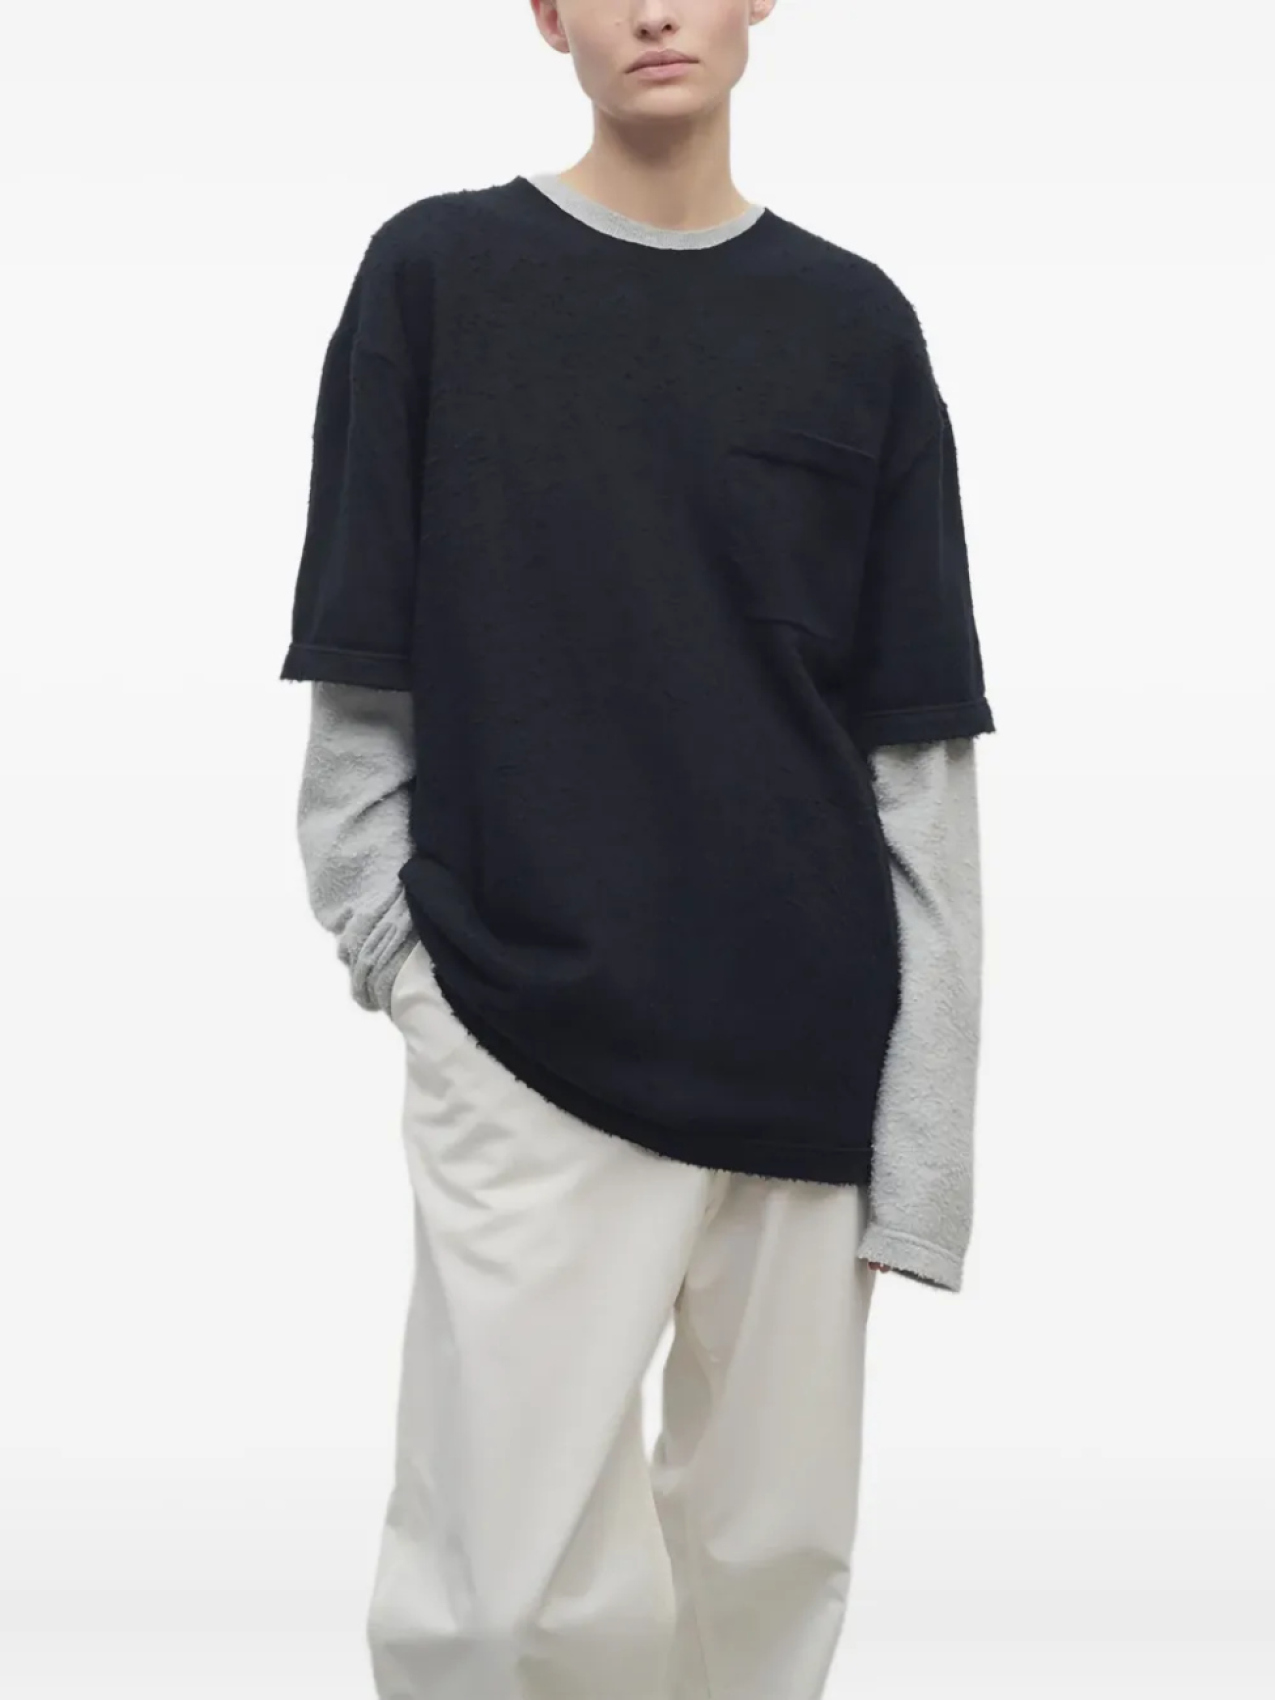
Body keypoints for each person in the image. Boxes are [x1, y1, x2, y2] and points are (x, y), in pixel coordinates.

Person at [280, 4, 995, 1696]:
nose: (655, 11)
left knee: (766, 1576)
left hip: (808, 1052)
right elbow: (363, 678)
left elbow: (915, 756)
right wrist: (412, 974)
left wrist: (924, 1151)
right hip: (525, 1029)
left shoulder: (855, 323)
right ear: (546, 13)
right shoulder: (439, 277)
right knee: (503, 1599)